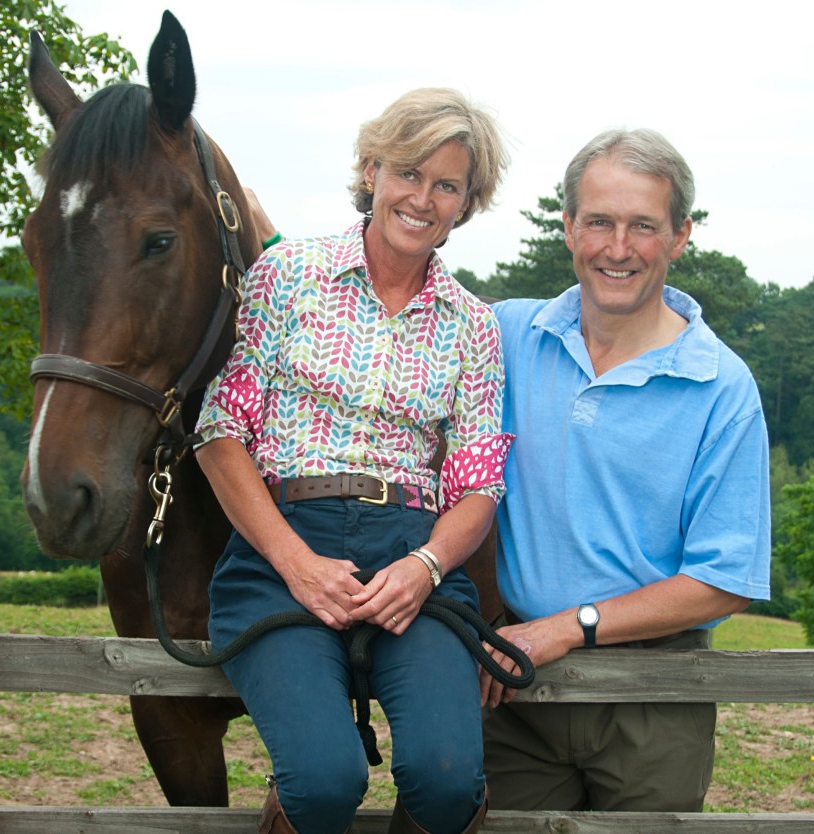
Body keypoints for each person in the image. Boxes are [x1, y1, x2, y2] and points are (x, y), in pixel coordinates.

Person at [195, 88, 512, 834]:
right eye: (408, 172)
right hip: (284, 545)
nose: (422, 197)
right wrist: (295, 562)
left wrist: (426, 568)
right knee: (326, 780)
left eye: (446, 185)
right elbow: (219, 431)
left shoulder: (473, 326)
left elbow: (477, 485)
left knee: (444, 781)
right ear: (371, 169)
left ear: (466, 203)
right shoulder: (287, 278)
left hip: (411, 553)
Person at [479, 128, 771, 812]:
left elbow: (722, 580)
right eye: (599, 222)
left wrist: (565, 626)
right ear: (568, 228)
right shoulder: (506, 337)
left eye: (642, 225)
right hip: (513, 688)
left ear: (678, 236)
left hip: (653, 691)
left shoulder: (719, 386)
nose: (617, 248)